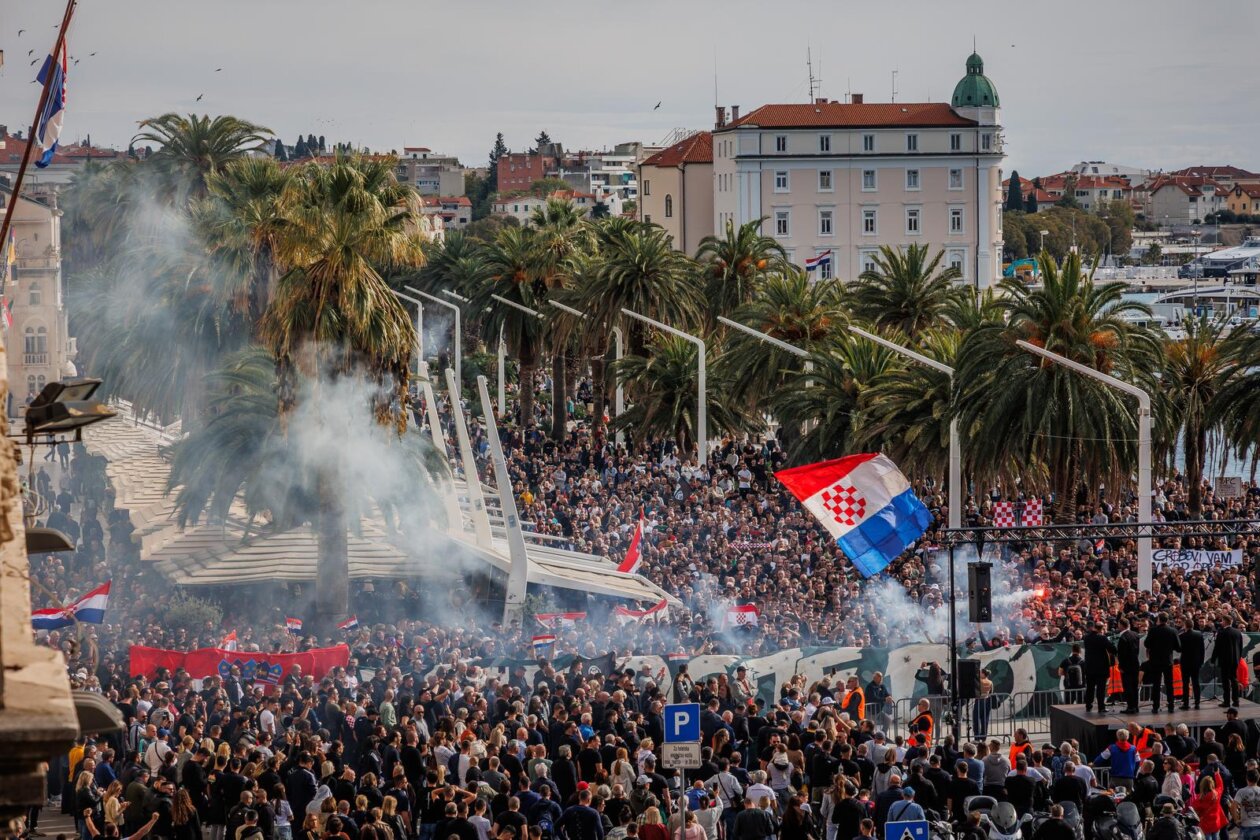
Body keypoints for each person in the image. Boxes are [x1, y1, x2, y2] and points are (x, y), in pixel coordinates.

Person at [1145, 613, 1181, 714]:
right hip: (1167, 661)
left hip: (1155, 661)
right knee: (1169, 684)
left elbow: (1146, 643)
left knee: (1156, 684)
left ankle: (1155, 706)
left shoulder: (1153, 630)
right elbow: (1178, 647)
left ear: (1159, 620)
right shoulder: (1173, 631)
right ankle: (1171, 706)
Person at [1083, 623, 1117, 714]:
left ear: (1094, 627)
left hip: (1089, 667)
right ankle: (1101, 707)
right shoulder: (1102, 638)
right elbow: (1113, 649)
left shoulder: (1086, 638)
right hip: (1101, 668)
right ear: (1102, 629)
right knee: (1100, 689)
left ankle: (1088, 705)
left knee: (1090, 688)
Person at [1215, 614, 1244, 709]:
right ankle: (1236, 701)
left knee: (1225, 681)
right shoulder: (1237, 632)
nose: (1221, 623)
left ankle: (1226, 701)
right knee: (1234, 679)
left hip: (1224, 661)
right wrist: (1238, 658)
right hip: (1235, 660)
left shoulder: (1222, 633)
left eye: (1222, 621)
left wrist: (1213, 659)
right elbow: (1240, 647)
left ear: (1225, 622)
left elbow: (1217, 648)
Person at [1117, 619, 1142, 715]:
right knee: (1134, 687)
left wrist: (1121, 666)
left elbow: (1122, 654)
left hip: (1126, 667)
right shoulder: (1135, 635)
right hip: (1135, 664)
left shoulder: (1123, 637)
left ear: (1121, 625)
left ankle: (1130, 707)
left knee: (1128, 687)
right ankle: (1135, 706)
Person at [1180, 617, 1206, 711]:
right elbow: (1202, 649)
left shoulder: (1182, 636)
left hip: (1185, 663)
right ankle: (1197, 703)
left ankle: (1186, 704)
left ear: (1185, 626)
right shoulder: (1199, 634)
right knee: (1196, 683)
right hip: (1196, 662)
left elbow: (1179, 649)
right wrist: (1201, 661)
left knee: (1185, 683)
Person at [1191, 776, 1226, 840]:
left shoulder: (1199, 798)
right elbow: (1221, 785)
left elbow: (1194, 808)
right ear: (1212, 784)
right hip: (1216, 821)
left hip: (1205, 823)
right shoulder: (1217, 794)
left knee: (1207, 837)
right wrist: (1217, 774)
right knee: (1216, 837)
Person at [1232, 768, 1260, 840]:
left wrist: (1236, 820)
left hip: (1246, 825)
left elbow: (1233, 806)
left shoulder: (1241, 791)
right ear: (1258, 778)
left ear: (1247, 778)